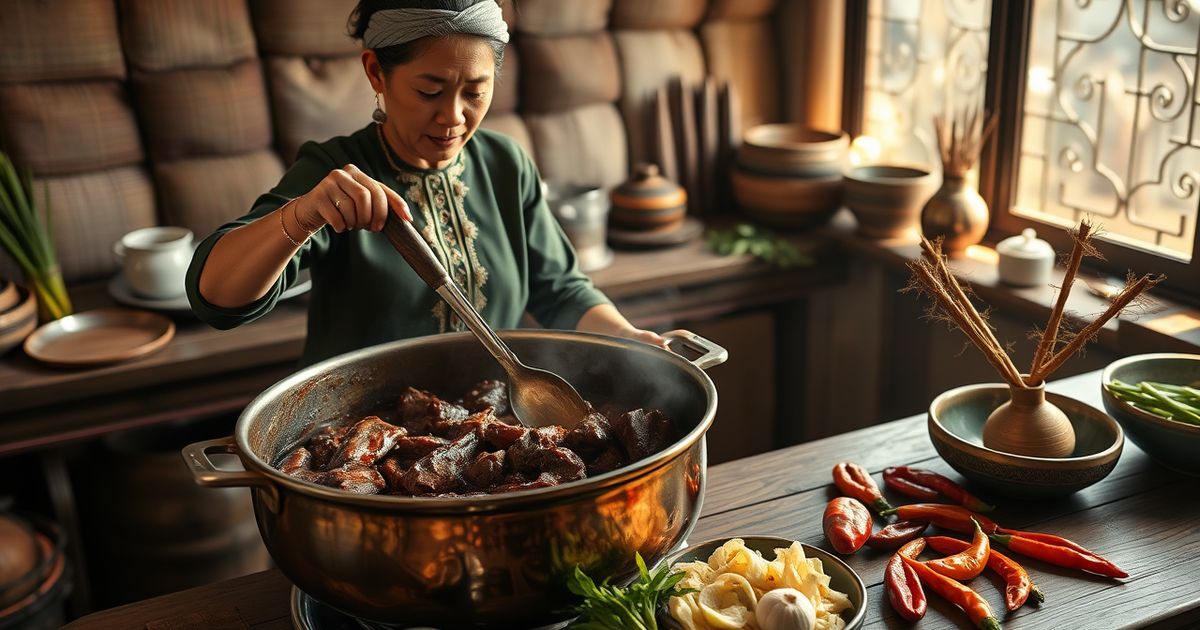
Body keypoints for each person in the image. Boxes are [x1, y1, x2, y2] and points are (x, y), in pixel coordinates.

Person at [186, 0, 665, 367]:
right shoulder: (334, 174)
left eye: (475, 91)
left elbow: (559, 290)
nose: (453, 117)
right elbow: (218, 300)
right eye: (429, 91)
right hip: (361, 444)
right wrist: (301, 214)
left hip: (486, 429)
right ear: (376, 72)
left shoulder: (505, 164)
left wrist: (629, 338)